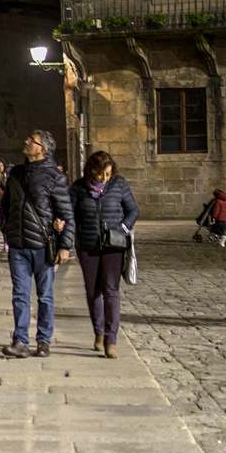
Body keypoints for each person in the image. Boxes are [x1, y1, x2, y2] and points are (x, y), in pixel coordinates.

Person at [0, 130, 74, 358]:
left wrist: (65, 245)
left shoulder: (55, 176)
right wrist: (7, 230)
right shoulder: (16, 173)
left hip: (43, 245)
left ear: (42, 149)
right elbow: (7, 206)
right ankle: (20, 341)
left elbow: (66, 213)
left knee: (45, 295)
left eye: (31, 140)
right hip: (18, 246)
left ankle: (43, 340)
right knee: (20, 294)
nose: (26, 141)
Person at [69, 150, 139, 358]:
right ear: (91, 170)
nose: (104, 178)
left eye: (108, 174)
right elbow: (70, 215)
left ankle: (111, 339)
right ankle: (98, 332)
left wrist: (123, 228)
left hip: (114, 245)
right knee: (93, 292)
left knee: (111, 289)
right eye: (101, 174)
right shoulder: (78, 188)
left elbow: (133, 210)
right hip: (88, 245)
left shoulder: (120, 185)